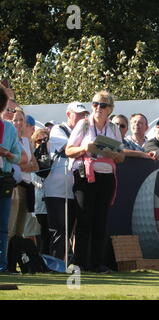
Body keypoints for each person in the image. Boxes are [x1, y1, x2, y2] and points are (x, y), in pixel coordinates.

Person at [66, 92, 124, 273]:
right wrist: (85, 148)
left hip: (106, 176)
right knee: (84, 218)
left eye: (103, 105)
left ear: (110, 110)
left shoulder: (114, 128)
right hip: (85, 175)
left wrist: (114, 154)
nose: (99, 108)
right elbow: (68, 150)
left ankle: (97, 263)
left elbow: (121, 156)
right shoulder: (83, 124)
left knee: (100, 220)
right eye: (95, 104)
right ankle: (79, 263)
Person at [44, 102, 89, 260]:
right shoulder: (58, 130)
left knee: (69, 231)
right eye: (78, 114)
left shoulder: (85, 132)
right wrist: (88, 145)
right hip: (56, 190)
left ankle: (65, 263)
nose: (82, 117)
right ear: (68, 114)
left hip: (73, 190)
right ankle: (55, 264)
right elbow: (70, 149)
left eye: (84, 115)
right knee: (59, 231)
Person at [0, 86, 21, 272]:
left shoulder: (8, 128)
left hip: (3, 179)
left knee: (3, 225)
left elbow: (18, 156)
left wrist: (6, 153)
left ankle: (2, 264)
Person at [9, 108, 39, 238]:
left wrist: (24, 165)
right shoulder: (10, 139)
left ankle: (16, 256)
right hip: (15, 187)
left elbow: (35, 165)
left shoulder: (26, 141)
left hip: (26, 187)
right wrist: (26, 164)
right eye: (15, 120)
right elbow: (16, 162)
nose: (19, 123)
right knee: (10, 227)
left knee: (20, 230)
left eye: (21, 120)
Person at [31, 128, 50, 254]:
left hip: (50, 200)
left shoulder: (52, 158)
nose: (42, 143)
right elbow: (33, 179)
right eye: (39, 140)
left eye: (46, 140)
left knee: (47, 232)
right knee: (37, 232)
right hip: (37, 201)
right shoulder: (31, 157)